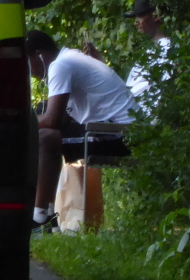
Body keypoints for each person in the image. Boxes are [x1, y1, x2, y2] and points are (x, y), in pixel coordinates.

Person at [26, 29, 134, 229]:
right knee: (47, 136)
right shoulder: (70, 58)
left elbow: (52, 120)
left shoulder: (60, 65)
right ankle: (47, 215)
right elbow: (64, 116)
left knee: (45, 137)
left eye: (27, 62)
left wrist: (19, 121)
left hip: (119, 134)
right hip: (113, 129)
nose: (29, 71)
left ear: (39, 54)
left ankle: (39, 218)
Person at [123, 0, 172, 107]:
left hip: (144, 121)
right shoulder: (151, 51)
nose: (136, 22)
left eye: (140, 16)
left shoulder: (168, 49)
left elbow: (164, 94)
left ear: (156, 16)